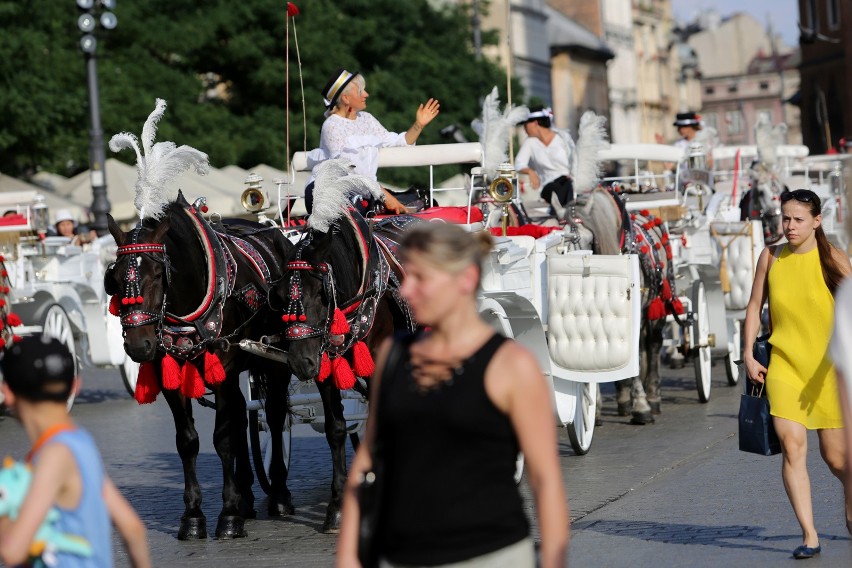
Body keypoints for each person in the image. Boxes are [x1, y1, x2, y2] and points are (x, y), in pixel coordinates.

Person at [336, 223, 569, 568]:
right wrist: (347, 558)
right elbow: (367, 464)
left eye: (420, 278)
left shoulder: (511, 366)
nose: (406, 291)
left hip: (491, 556)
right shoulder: (393, 356)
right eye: (405, 277)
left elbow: (545, 479)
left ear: (466, 279)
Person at [743, 188, 851, 559]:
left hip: (827, 371)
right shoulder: (771, 257)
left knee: (837, 460)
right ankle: (809, 535)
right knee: (792, 446)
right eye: (784, 218)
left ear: (817, 221)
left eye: (797, 219)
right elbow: (755, 305)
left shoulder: (833, 258)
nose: (788, 226)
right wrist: (747, 353)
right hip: (784, 365)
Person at [0, 335, 151, 568]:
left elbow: (13, 551)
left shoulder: (53, 455)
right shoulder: (80, 442)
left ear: (7, 392)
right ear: (75, 386)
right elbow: (133, 529)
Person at [305, 67, 440, 215]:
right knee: (359, 205)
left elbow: (397, 142)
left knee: (421, 200)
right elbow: (347, 171)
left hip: (363, 193)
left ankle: (376, 209)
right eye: (360, 91)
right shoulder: (331, 126)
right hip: (326, 191)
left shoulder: (367, 119)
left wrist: (418, 125)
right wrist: (384, 196)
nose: (366, 94)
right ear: (345, 98)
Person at [515, 106, 575, 219]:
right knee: (560, 188)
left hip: (569, 182)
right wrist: (530, 171)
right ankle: (567, 216)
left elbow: (575, 160)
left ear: (535, 123)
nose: (524, 128)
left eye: (525, 124)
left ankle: (563, 214)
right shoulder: (530, 143)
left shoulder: (562, 138)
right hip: (548, 186)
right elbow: (518, 164)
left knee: (569, 185)